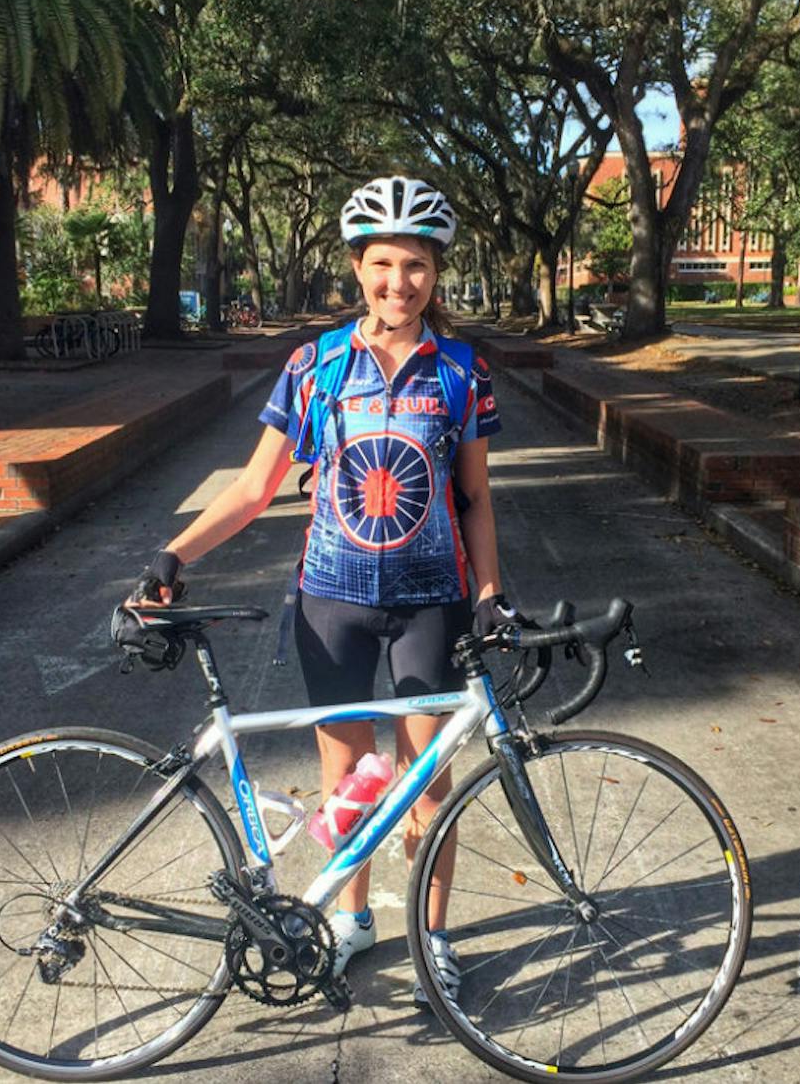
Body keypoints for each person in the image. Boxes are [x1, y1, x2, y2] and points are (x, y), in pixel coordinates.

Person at [128, 175, 521, 1005]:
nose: (398, 282)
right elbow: (253, 487)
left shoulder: (461, 370)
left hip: (430, 602)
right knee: (350, 782)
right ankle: (351, 920)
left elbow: (476, 496)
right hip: (331, 600)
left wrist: (488, 593)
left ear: (436, 272)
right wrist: (172, 553)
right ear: (356, 266)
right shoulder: (317, 365)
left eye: (416, 265)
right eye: (383, 264)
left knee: (428, 785)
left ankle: (433, 940)